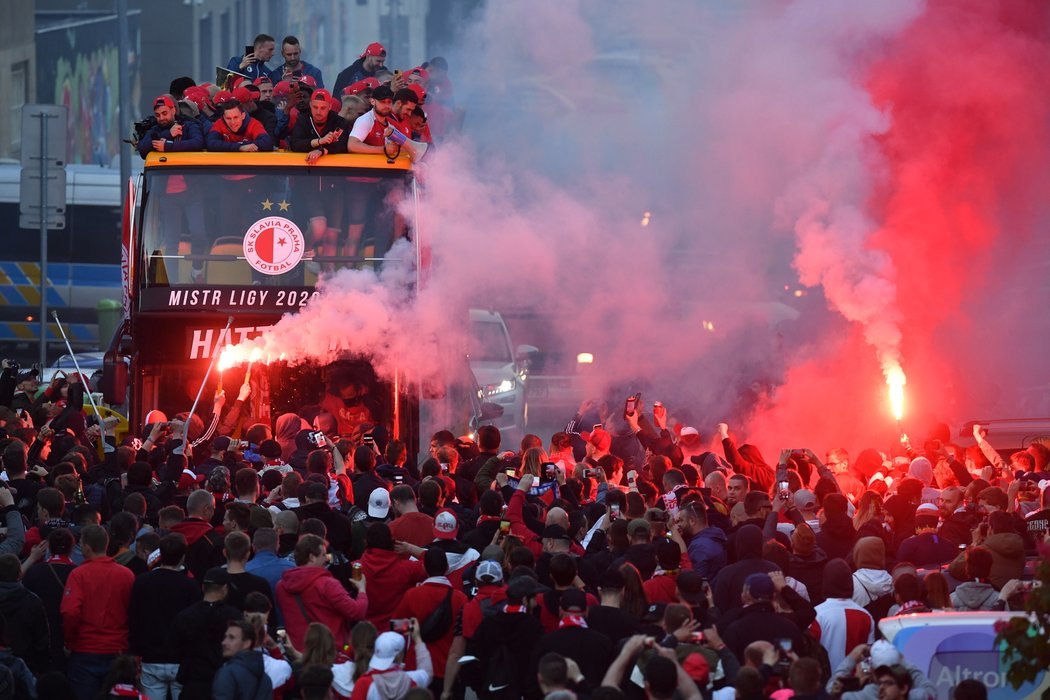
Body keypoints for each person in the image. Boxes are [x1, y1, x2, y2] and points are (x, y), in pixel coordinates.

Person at [61, 524, 136, 700]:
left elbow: (70, 612)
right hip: (117, 650)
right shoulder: (126, 575)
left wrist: (69, 642)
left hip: (85, 651)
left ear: (86, 546)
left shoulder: (78, 575)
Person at [128, 533, 203, 700]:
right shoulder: (190, 586)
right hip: (180, 660)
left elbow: (134, 618)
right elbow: (196, 622)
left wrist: (135, 650)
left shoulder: (142, 582)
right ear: (183, 556)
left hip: (151, 658)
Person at [276, 534, 369, 650]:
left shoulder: (281, 586)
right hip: (327, 653)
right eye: (323, 555)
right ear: (311, 557)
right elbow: (357, 612)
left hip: (297, 653)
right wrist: (361, 589)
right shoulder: (327, 585)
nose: (326, 559)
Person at [170, 567, 244, 699]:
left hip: (192, 685)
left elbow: (173, 648)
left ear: (203, 587)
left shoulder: (185, 616)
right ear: (225, 588)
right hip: (224, 683)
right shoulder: (234, 616)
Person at [350, 628, 432, 700]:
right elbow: (427, 672)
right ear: (399, 656)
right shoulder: (411, 680)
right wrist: (418, 639)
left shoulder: (363, 684)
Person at [212, 619, 273, 699]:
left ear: (247, 643)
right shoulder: (265, 679)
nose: (224, 642)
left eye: (231, 638)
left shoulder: (227, 673)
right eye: (225, 637)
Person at [291, 88, 349, 164]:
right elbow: (295, 144)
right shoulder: (303, 120)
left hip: (333, 169)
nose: (318, 112)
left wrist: (321, 151)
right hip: (307, 169)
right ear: (310, 105)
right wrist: (319, 141)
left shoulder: (339, 122)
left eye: (323, 108)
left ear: (330, 107)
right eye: (315, 107)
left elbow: (342, 145)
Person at [205, 100, 275, 152]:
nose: (232, 122)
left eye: (236, 117)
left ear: (243, 116)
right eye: (228, 118)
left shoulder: (253, 124)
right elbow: (211, 143)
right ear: (223, 117)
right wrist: (240, 147)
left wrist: (229, 146)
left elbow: (267, 142)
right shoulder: (219, 123)